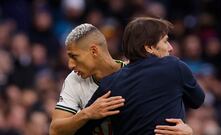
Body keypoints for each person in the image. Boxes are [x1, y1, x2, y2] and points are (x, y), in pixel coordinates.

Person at [50, 23, 194, 135]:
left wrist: (187, 130)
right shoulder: (74, 80)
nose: (70, 64)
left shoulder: (138, 74)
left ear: (94, 51)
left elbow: (172, 117)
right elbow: (55, 130)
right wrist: (87, 113)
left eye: (74, 56)